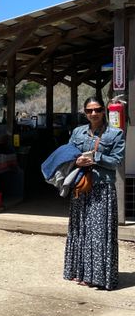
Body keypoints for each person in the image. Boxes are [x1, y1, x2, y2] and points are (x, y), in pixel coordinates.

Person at [63, 97, 125, 290]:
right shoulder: (77, 132)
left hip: (102, 188)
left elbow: (116, 161)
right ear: (85, 112)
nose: (93, 114)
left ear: (103, 111)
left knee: (99, 233)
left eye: (97, 109)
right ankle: (79, 272)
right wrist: (77, 161)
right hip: (81, 186)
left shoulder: (116, 134)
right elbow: (68, 154)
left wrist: (95, 158)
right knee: (80, 229)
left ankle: (97, 277)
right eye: (89, 110)